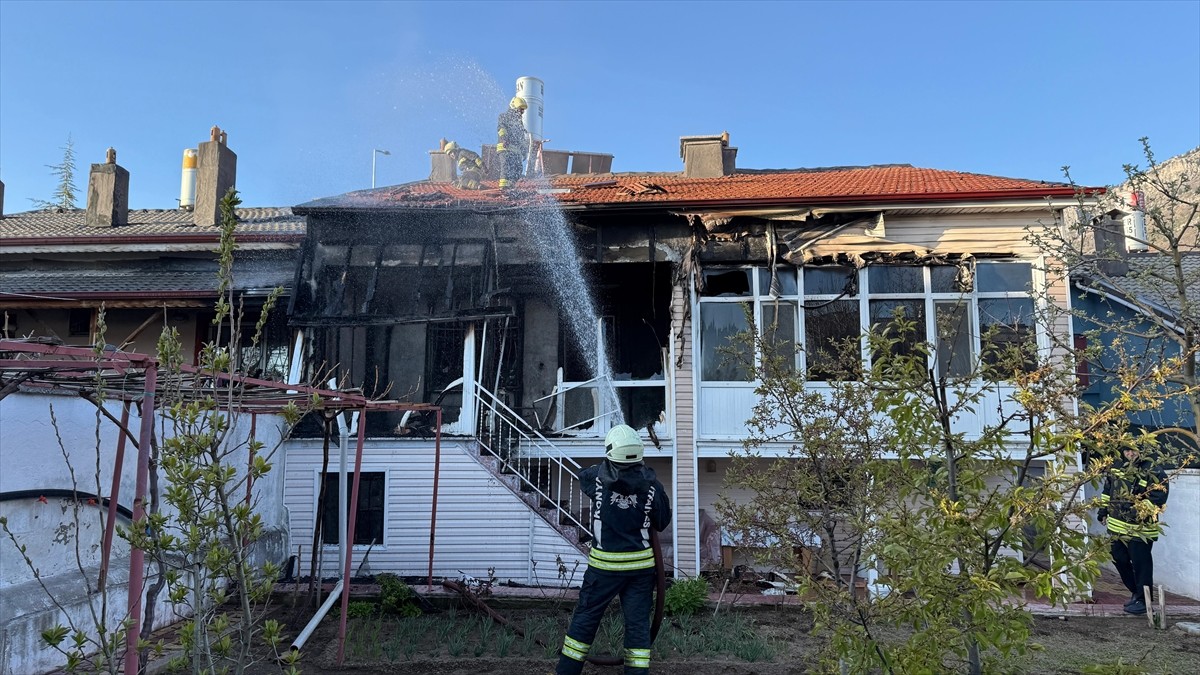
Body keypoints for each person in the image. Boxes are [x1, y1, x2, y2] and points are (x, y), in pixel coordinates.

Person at [556, 424, 671, 675]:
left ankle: (566, 672)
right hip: (640, 571)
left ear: (610, 452)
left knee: (586, 620)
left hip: (603, 570)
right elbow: (662, 521)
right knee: (638, 627)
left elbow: (584, 475)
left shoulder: (596, 478)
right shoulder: (653, 486)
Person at [1098, 446, 1169, 615]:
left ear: (1142, 451)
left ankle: (1143, 601)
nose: (1130, 454)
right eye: (1126, 451)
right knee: (1118, 559)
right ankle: (1136, 592)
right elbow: (1107, 490)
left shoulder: (1155, 471)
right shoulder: (1116, 467)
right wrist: (1103, 510)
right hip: (1116, 527)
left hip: (1140, 530)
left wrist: (1133, 511)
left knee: (1141, 565)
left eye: (1134, 451)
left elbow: (1158, 498)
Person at [496, 96, 530, 189]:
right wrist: (504, 139)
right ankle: (503, 187)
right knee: (506, 167)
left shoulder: (519, 122)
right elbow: (501, 128)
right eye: (520, 109)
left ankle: (510, 185)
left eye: (523, 110)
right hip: (505, 147)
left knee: (518, 169)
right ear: (514, 107)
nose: (522, 112)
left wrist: (524, 151)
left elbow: (521, 138)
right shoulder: (504, 116)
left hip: (516, 151)